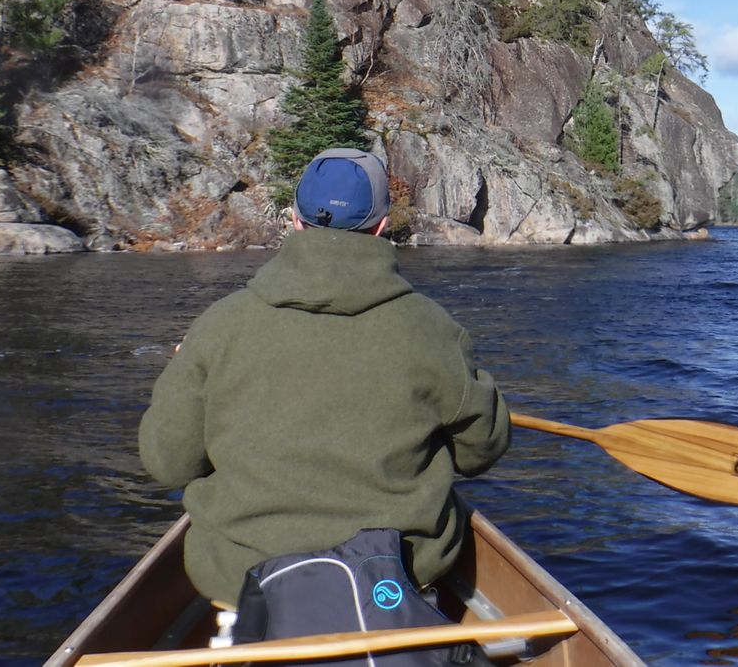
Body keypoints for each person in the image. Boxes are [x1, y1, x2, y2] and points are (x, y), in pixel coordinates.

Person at [139, 147, 511, 608]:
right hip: (395, 573)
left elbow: (168, 463)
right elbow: (481, 450)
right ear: (381, 227)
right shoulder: (433, 330)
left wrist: (180, 372)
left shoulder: (219, 325)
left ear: (295, 221)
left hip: (240, 577)